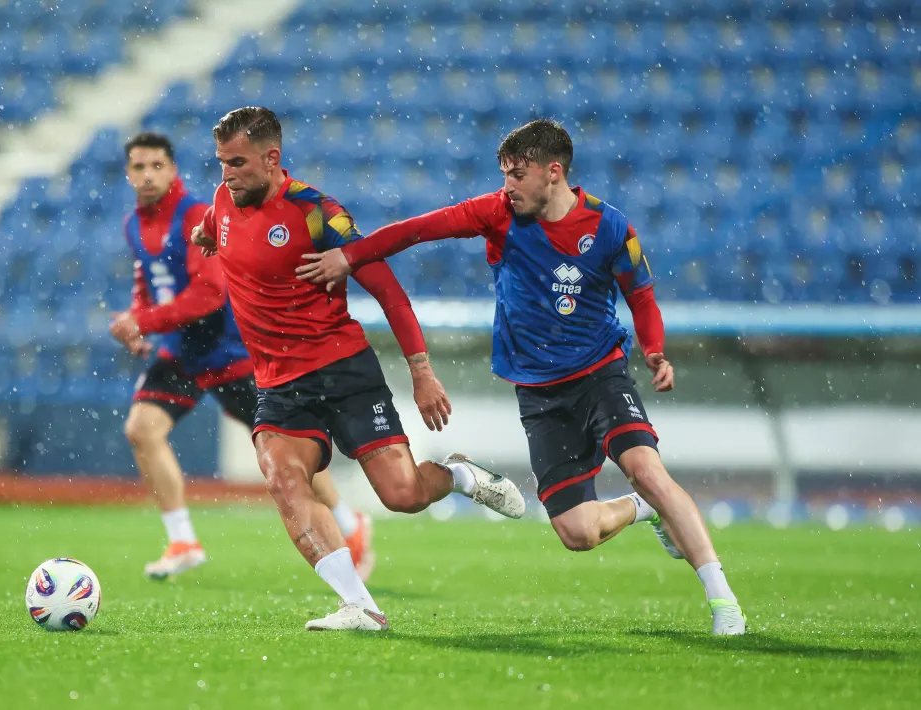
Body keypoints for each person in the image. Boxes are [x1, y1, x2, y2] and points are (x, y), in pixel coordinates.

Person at [296, 119, 746, 635]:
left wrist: (656, 351)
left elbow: (640, 296)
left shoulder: (609, 228)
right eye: (504, 174)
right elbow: (418, 229)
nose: (507, 185)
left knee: (646, 465)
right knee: (577, 533)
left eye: (517, 174)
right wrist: (350, 255)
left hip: (601, 375)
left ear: (553, 173)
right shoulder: (497, 213)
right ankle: (642, 509)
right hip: (539, 395)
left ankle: (724, 602)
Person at [191, 107, 525, 632]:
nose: (226, 174)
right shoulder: (222, 200)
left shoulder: (317, 214)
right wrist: (204, 236)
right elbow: (217, 227)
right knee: (282, 476)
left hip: (343, 369)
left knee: (404, 495)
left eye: (237, 163)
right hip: (279, 383)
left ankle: (460, 475)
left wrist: (422, 372)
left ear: (271, 158)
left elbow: (389, 293)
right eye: (220, 163)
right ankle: (361, 605)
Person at [111, 132, 374, 582]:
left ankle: (350, 524)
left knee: (288, 454)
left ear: (173, 170)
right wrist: (140, 320)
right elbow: (148, 281)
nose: (148, 175)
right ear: (127, 173)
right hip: (180, 353)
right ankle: (183, 540)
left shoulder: (195, 215)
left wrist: (147, 321)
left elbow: (211, 294)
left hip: (227, 352)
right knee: (141, 430)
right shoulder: (135, 224)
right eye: (139, 167)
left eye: (157, 165)